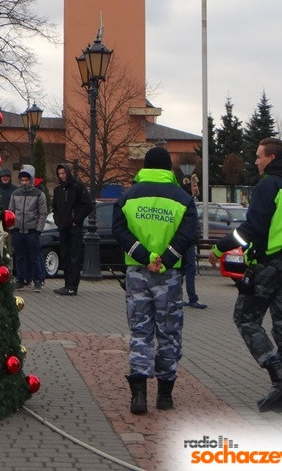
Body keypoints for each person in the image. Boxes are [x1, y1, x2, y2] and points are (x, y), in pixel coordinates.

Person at [209, 137, 282, 413]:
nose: (256, 161)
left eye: (259, 156)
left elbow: (250, 229)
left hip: (268, 265)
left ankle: (277, 374)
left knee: (245, 318)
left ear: (272, 159)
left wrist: (220, 248)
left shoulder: (268, 186)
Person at [113, 146, 197, 414]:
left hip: (138, 273)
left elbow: (119, 230)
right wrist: (166, 258)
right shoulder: (183, 198)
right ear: (168, 168)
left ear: (145, 166)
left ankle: (138, 396)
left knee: (140, 333)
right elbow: (188, 233)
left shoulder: (128, 197)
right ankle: (165, 395)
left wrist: (143, 256)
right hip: (169, 275)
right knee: (169, 334)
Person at [51, 162, 93, 297]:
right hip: (63, 227)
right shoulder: (57, 190)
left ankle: (73, 286)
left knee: (74, 257)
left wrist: (76, 220)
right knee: (65, 256)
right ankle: (67, 284)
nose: (62, 176)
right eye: (60, 174)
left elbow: (88, 205)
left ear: (68, 173)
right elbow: (55, 208)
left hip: (74, 228)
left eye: (63, 173)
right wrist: (58, 221)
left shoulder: (77, 187)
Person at [9, 164, 47, 291]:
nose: (24, 183)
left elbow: (42, 213)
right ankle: (20, 279)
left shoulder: (39, 194)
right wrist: (13, 227)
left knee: (34, 256)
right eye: (22, 180)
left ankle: (38, 280)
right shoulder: (15, 193)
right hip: (18, 229)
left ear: (31, 180)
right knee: (19, 256)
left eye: (26, 180)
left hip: (32, 230)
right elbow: (11, 211)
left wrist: (38, 229)